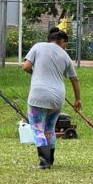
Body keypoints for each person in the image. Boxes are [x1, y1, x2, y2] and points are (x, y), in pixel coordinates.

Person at [23, 30, 82, 169]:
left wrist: (37, 73)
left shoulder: (38, 46)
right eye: (65, 44)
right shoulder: (65, 56)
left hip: (39, 96)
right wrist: (77, 99)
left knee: (37, 129)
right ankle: (50, 160)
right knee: (50, 129)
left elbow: (26, 67)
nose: (65, 47)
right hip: (58, 97)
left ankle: (44, 162)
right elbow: (74, 79)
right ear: (61, 41)